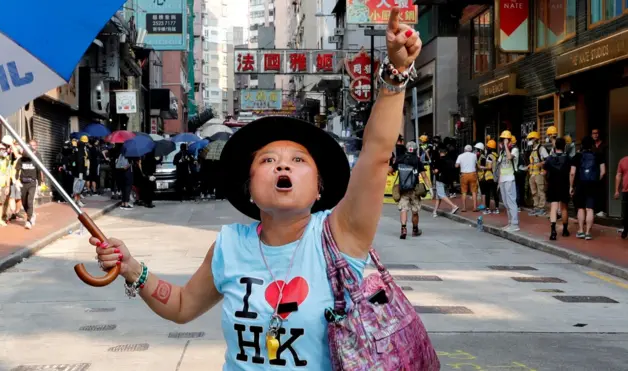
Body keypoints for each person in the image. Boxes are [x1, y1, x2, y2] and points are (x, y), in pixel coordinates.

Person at [91, 13, 422, 370]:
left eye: (297, 160)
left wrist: (395, 75)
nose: (282, 166)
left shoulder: (339, 236)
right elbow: (184, 305)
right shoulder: (230, 245)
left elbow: (375, 155)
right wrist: (131, 268)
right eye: (267, 160)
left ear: (319, 188)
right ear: (249, 187)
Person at [393, 141, 432, 238]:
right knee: (415, 211)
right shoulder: (417, 160)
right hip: (415, 190)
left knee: (403, 209)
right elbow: (424, 176)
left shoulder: (400, 159)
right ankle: (415, 229)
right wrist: (430, 188)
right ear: (415, 150)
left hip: (403, 190)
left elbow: (391, 170)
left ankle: (403, 228)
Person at [571, 136, 605, 240]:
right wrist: (596, 180)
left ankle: (581, 230)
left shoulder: (577, 156)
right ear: (592, 145)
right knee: (590, 209)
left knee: (580, 208)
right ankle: (588, 233)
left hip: (580, 184)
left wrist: (571, 186)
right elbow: (603, 172)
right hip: (592, 184)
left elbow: (572, 173)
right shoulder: (598, 155)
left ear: (582, 145)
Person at [544, 138, 572, 240]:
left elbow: (545, 171)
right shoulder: (568, 158)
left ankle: (553, 231)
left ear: (555, 146)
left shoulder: (550, 159)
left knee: (554, 207)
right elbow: (571, 172)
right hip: (564, 185)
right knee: (564, 207)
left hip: (553, 185)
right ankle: (565, 230)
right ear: (564, 146)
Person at [15, 140, 44, 230]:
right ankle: (31, 214)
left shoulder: (35, 159)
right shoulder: (21, 160)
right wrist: (16, 180)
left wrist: (39, 184)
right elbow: (17, 170)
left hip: (32, 183)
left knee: (29, 201)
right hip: (23, 183)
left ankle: (29, 220)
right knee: (24, 202)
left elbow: (39, 171)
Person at [496, 130, 520, 231]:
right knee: (505, 202)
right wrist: (498, 181)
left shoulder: (514, 150)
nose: (502, 142)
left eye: (504, 140)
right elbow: (500, 166)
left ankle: (515, 224)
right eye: (502, 140)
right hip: (502, 179)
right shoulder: (502, 152)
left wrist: (506, 145)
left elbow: (510, 157)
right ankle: (510, 223)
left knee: (511, 201)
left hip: (510, 178)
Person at [526, 131, 549, 216]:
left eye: (531, 139)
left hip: (539, 173)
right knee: (534, 192)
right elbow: (533, 162)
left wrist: (541, 164)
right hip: (532, 174)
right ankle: (536, 207)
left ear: (535, 139)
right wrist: (529, 166)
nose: (529, 140)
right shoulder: (532, 150)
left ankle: (541, 208)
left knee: (541, 191)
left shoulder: (541, 149)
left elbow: (547, 160)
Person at [431, 146, 459, 216]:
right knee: (438, 195)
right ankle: (435, 211)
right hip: (448, 180)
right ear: (446, 153)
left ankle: (453, 206)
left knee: (441, 194)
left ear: (440, 153)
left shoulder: (439, 160)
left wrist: (433, 171)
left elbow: (436, 171)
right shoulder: (451, 160)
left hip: (440, 179)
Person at [455, 144, 479, 212]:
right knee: (474, 191)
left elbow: (456, 166)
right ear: (471, 150)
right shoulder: (474, 155)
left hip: (464, 174)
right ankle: (475, 207)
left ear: (464, 150)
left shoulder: (460, 156)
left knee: (464, 192)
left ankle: (464, 208)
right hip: (472, 174)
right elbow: (476, 164)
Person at [591, 128, 608, 217]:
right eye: (593, 133)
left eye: (597, 133)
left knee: (601, 190)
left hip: (602, 169)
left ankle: (601, 210)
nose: (595, 135)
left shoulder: (604, 145)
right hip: (593, 171)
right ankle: (595, 209)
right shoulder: (591, 146)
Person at [0, 144, 11, 227]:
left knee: (2, 202)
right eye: (0, 149)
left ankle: (0, 218)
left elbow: (8, 173)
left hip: (4, 184)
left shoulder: (7, 160)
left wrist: (8, 186)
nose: (2, 151)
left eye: (3, 149)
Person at [483, 140, 500, 214]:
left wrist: (482, 167)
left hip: (489, 176)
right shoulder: (497, 155)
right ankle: (497, 208)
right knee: (495, 193)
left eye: (487, 146)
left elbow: (489, 167)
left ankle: (487, 209)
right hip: (495, 176)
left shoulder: (489, 156)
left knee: (488, 193)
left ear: (489, 147)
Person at [615, 155, 628, 240]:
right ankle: (626, 229)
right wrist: (616, 190)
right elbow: (618, 175)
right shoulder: (623, 160)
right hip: (626, 191)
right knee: (625, 213)